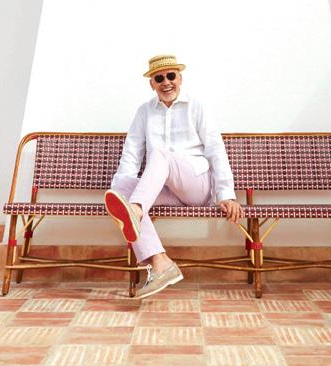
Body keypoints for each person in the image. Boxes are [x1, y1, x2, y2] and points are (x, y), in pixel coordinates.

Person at [104, 54, 244, 298]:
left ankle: (134, 211)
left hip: (197, 186)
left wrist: (226, 194)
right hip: (164, 190)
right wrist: (121, 189)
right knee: (121, 187)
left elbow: (215, 149)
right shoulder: (144, 112)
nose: (166, 82)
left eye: (171, 76)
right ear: (152, 84)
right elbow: (131, 153)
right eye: (159, 78)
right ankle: (160, 262)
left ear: (180, 78)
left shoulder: (197, 106)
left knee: (160, 155)